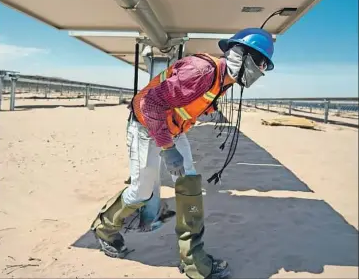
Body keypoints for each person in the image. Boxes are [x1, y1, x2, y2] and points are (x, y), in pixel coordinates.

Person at [91, 28, 275, 279]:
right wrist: (167, 149)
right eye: (262, 63)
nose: (262, 71)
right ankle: (104, 228)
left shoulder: (223, 80)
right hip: (146, 127)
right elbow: (151, 104)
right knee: (141, 192)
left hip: (173, 130)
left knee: (190, 188)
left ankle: (194, 263)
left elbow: (190, 102)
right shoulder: (200, 72)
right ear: (243, 57)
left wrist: (199, 115)